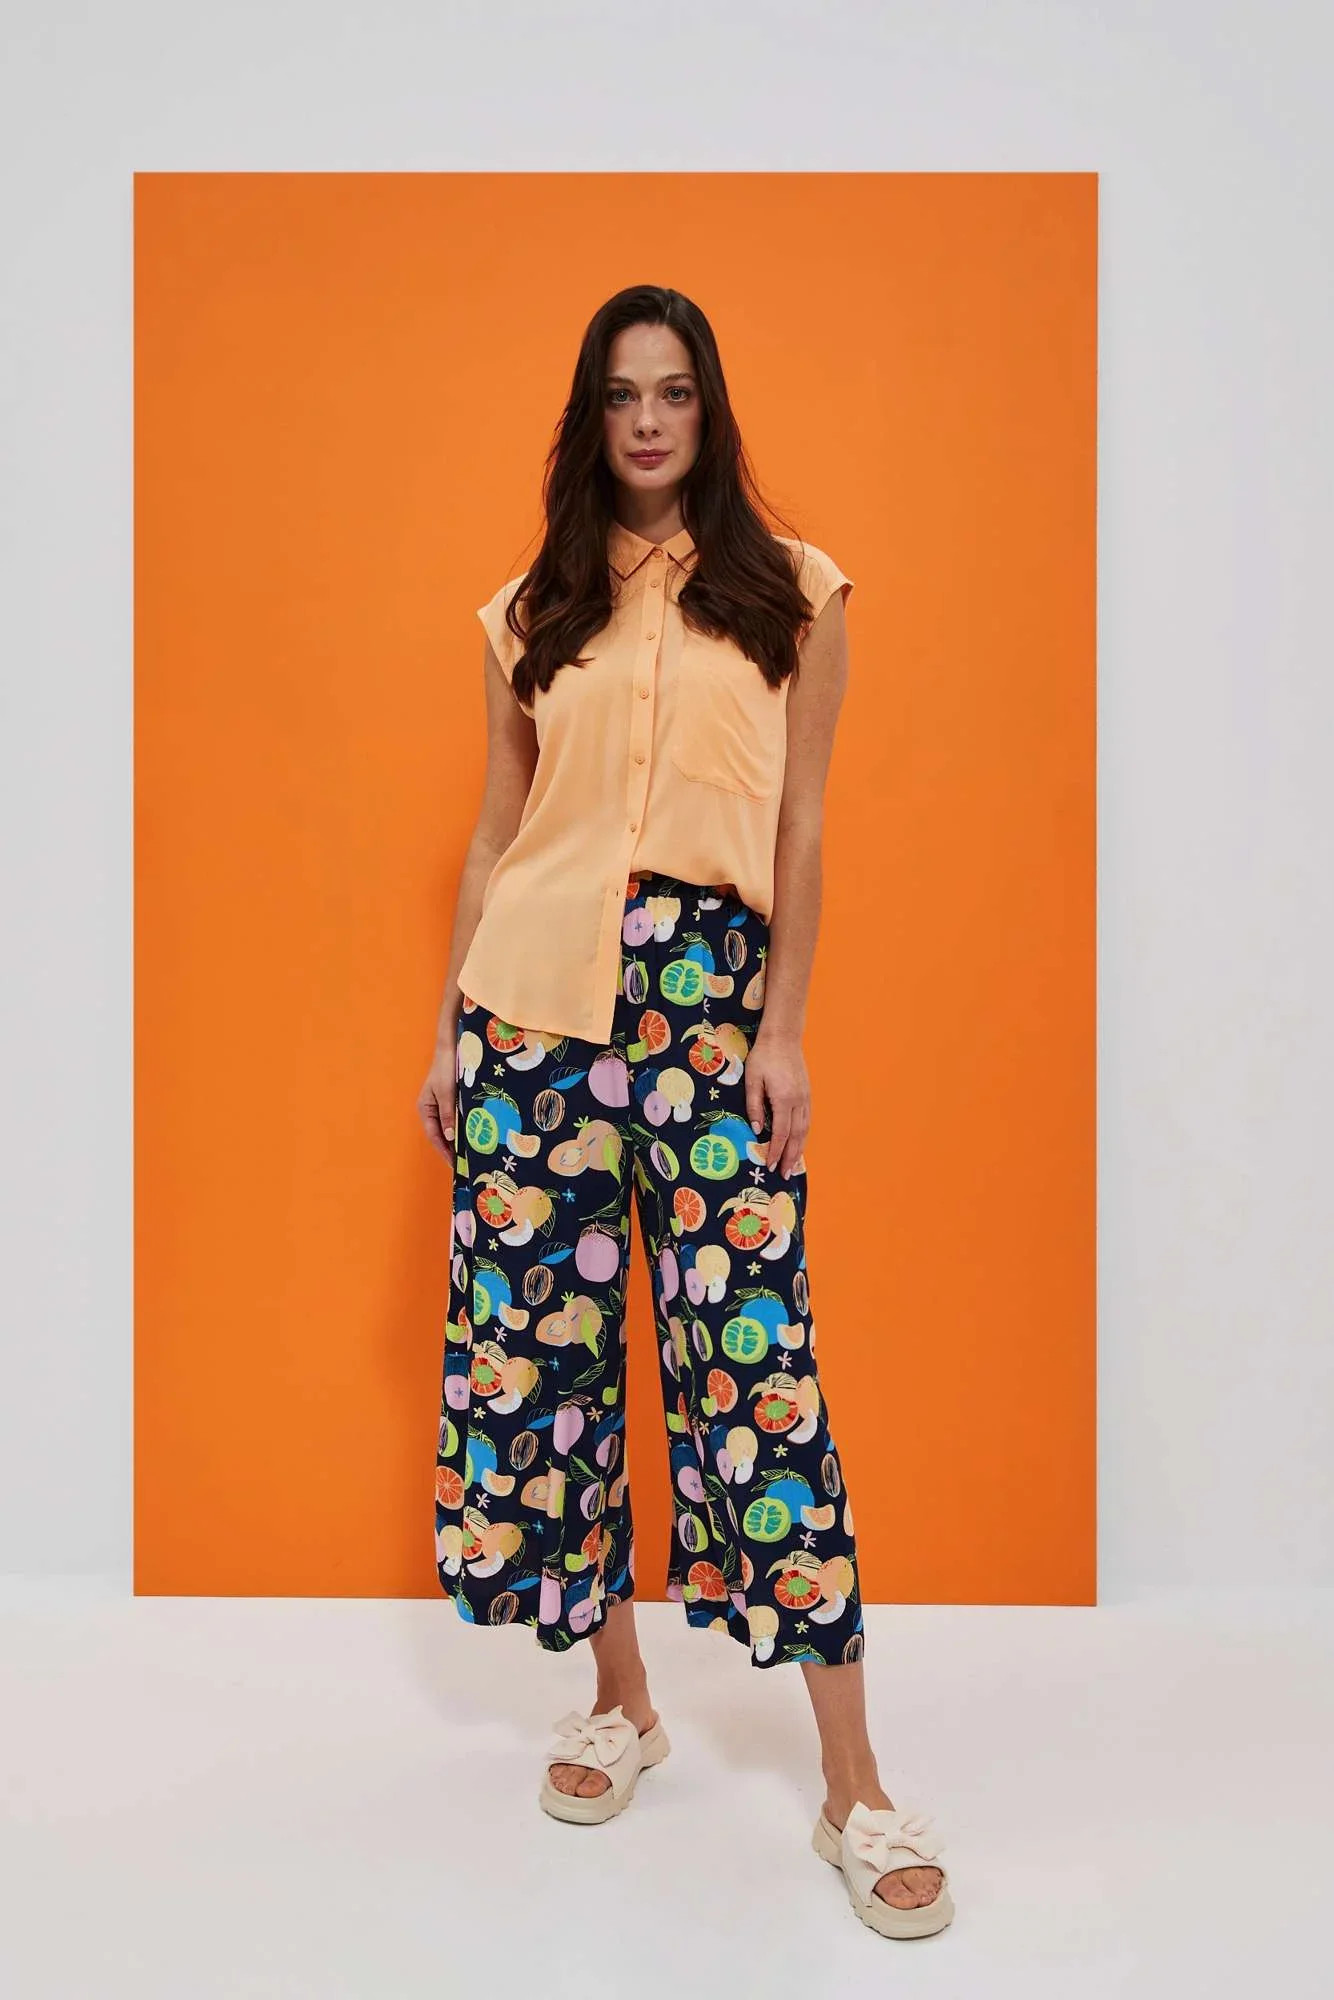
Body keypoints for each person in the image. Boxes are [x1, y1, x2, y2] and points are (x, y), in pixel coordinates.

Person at [417, 284, 954, 1941]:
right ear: (589, 419)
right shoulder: (532, 611)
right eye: (618, 395)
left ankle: (855, 1787)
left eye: (672, 393)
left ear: (708, 412)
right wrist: (447, 1031)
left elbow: (800, 829)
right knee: (554, 1366)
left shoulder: (792, 593)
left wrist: (778, 1029)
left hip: (708, 1007)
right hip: (529, 1016)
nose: (646, 421)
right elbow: (499, 830)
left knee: (752, 1367)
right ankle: (620, 1700)